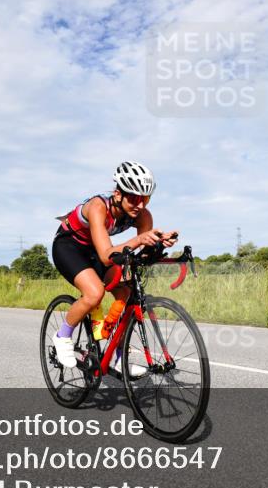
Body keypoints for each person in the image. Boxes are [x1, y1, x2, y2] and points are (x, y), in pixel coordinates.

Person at [51, 161, 178, 375]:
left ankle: (119, 357)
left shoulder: (143, 215)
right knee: (94, 293)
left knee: (127, 293)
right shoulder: (98, 207)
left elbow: (143, 253)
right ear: (118, 194)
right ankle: (62, 336)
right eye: (135, 198)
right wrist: (140, 239)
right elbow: (105, 255)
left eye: (145, 199)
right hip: (69, 246)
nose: (140, 204)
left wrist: (156, 243)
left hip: (97, 248)